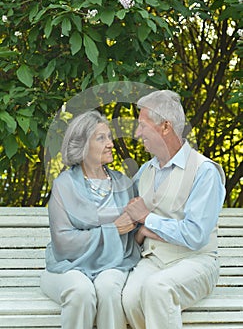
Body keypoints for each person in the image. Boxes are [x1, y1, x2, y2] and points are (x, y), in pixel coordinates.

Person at [122, 90, 226, 329]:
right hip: (154, 260)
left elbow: (195, 235)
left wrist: (148, 220)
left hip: (197, 262)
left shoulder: (204, 171)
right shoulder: (145, 171)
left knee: (157, 289)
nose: (137, 134)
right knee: (129, 299)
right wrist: (142, 229)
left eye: (142, 126)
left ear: (165, 127)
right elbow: (132, 220)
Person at [40, 110, 141, 329]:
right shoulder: (63, 185)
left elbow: (136, 234)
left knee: (109, 290)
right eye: (101, 138)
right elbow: (63, 243)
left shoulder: (124, 183)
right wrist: (112, 230)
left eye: (110, 137)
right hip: (67, 266)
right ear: (82, 146)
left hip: (115, 263)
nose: (111, 144)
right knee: (80, 291)